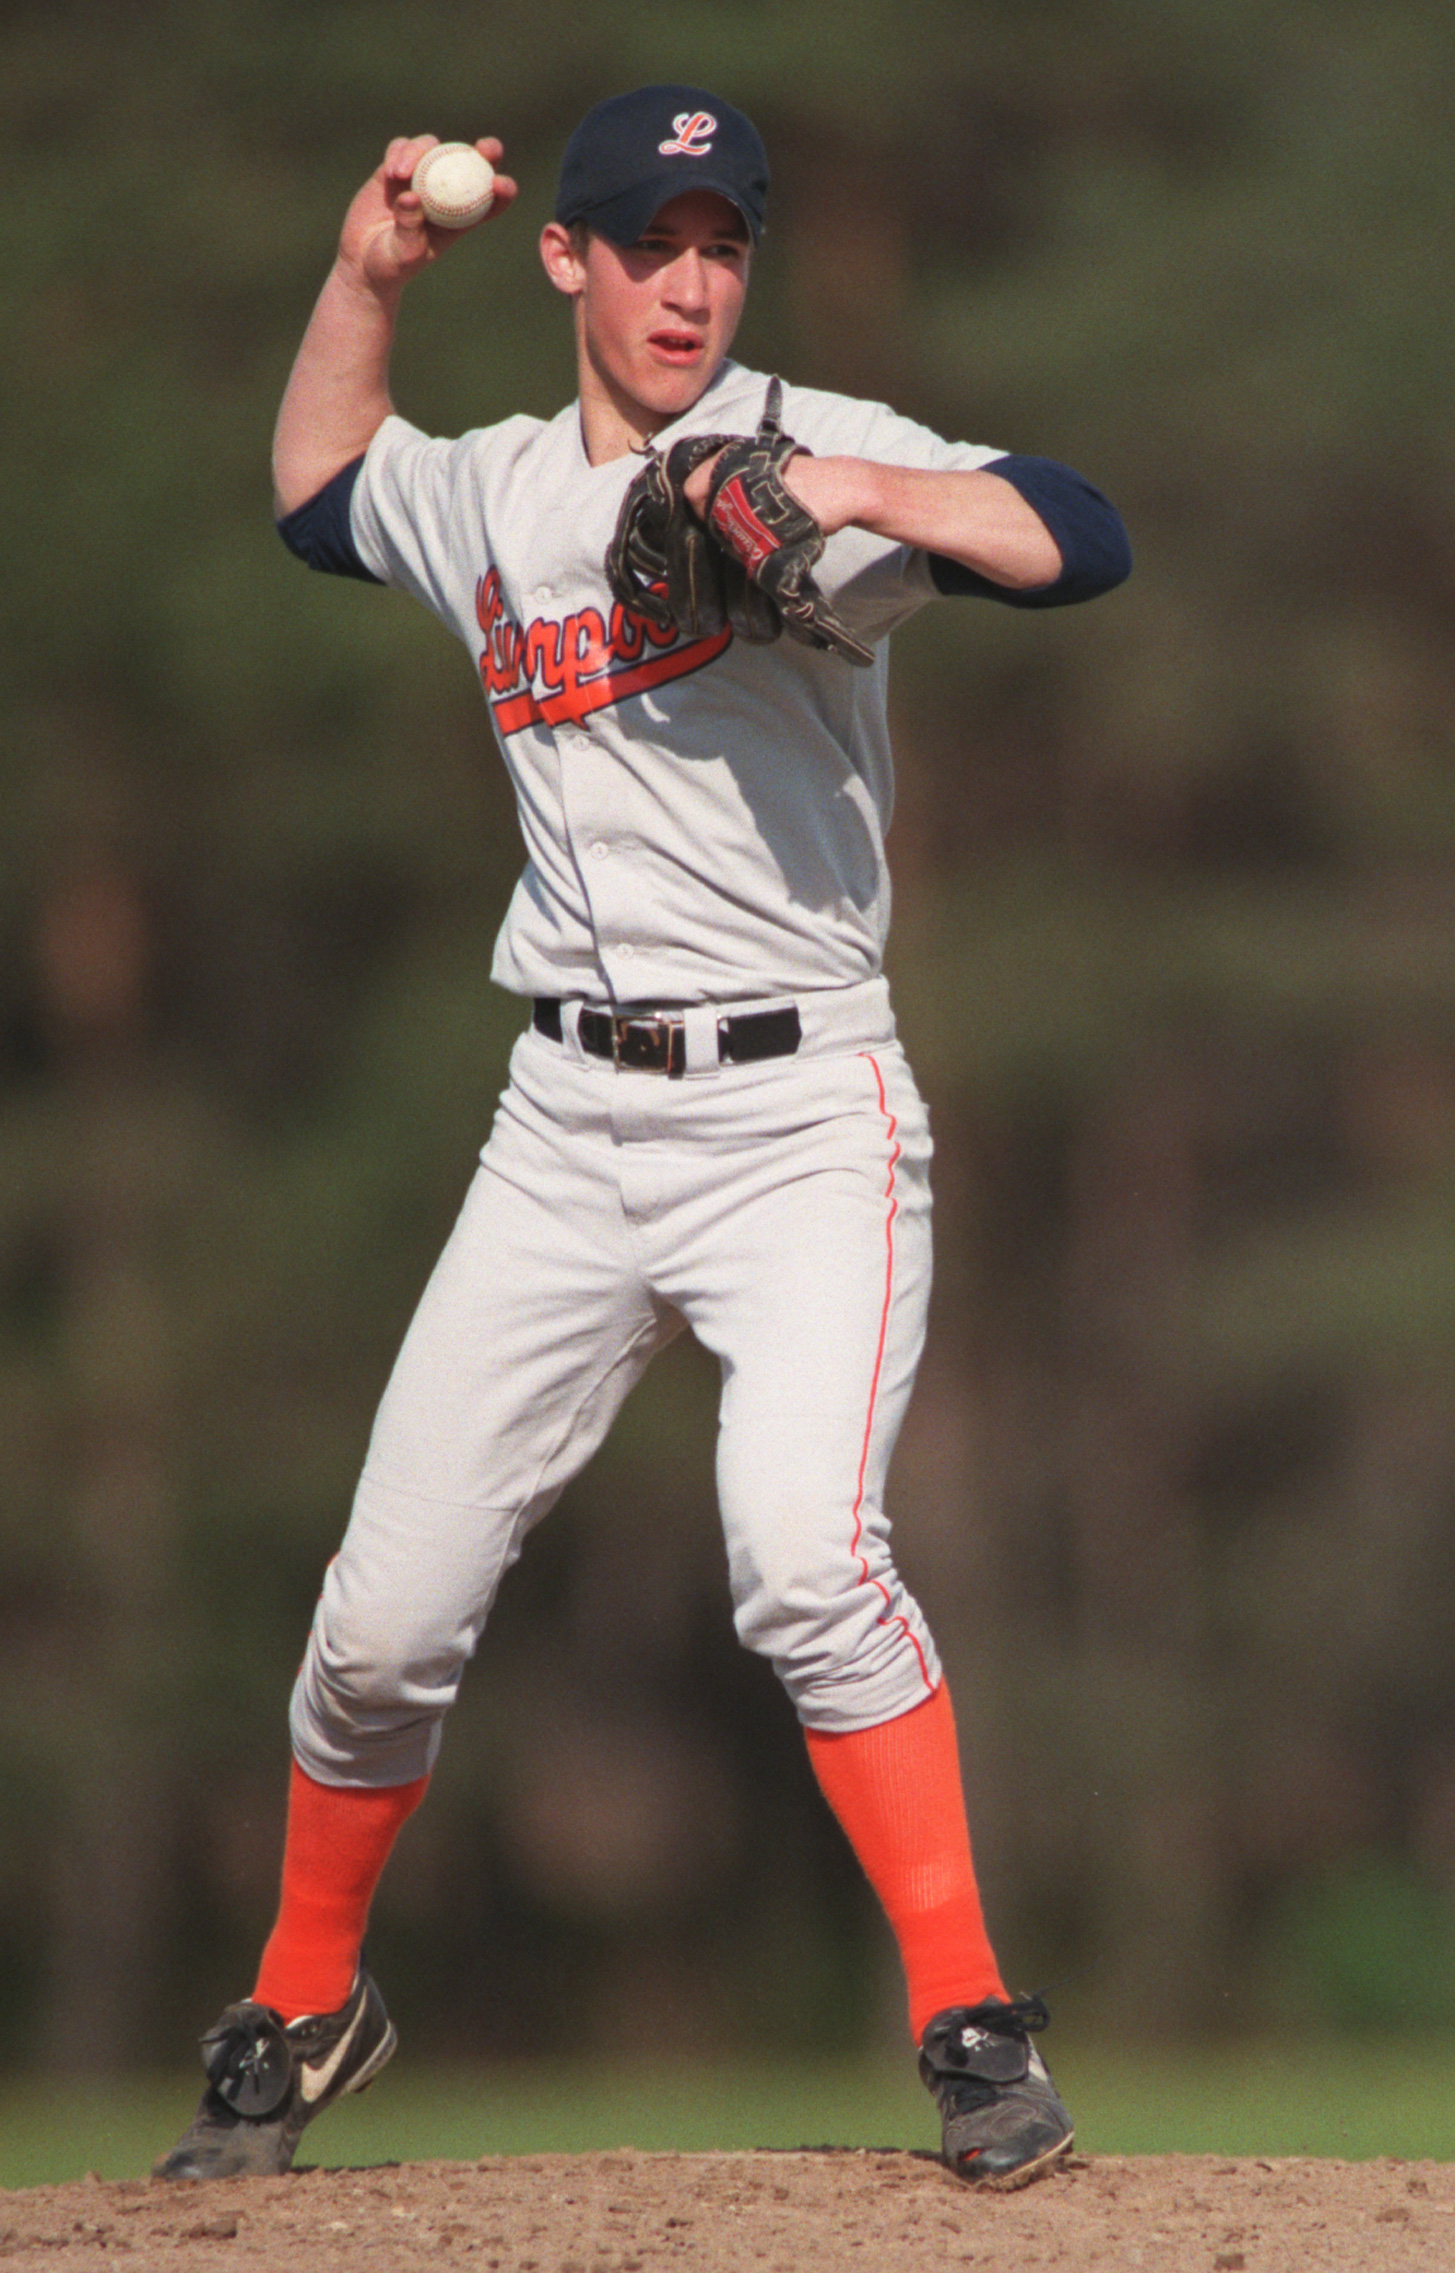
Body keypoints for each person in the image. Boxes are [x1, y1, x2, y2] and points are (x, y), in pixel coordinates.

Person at [156, 84, 1129, 2191]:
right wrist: (356, 277)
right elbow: (324, 488)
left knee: (802, 1557)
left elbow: (1079, 538)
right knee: (380, 1624)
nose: (691, 279)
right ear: (562, 257)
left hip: (801, 1115)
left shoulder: (809, 433)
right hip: (564, 1118)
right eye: (649, 237)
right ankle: (305, 2001)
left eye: (723, 239)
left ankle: (963, 2020)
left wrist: (847, 482)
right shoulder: (493, 494)